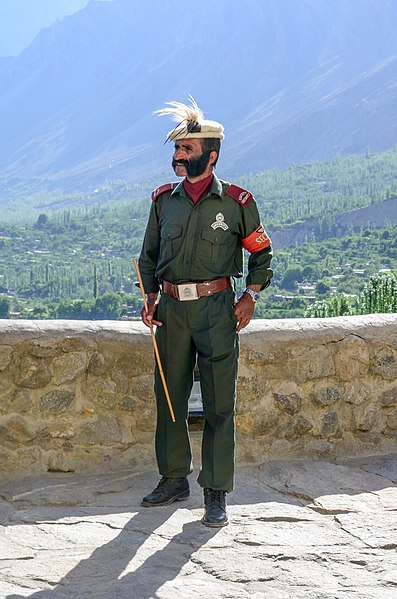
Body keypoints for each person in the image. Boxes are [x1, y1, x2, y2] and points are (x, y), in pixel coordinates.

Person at [138, 97, 273, 527]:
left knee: (218, 404)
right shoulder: (164, 202)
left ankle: (215, 493)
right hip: (172, 313)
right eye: (176, 149)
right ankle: (174, 478)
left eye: (187, 150)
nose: (178, 156)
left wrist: (250, 295)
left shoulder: (236, 203)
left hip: (218, 311)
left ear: (210, 156)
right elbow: (148, 258)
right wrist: (150, 298)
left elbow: (262, 252)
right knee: (170, 398)